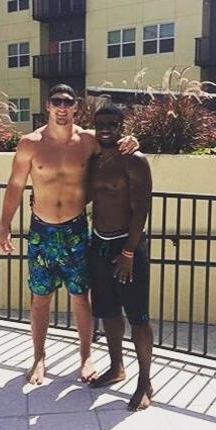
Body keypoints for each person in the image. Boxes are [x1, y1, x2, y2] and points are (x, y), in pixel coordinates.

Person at [0, 84, 138, 385]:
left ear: (75, 106)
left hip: (75, 230)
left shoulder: (88, 140)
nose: (62, 107)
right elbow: (15, 186)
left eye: (67, 102)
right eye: (56, 101)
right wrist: (4, 226)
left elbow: (117, 145)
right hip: (41, 232)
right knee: (40, 297)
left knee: (80, 297)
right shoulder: (30, 143)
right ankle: (39, 357)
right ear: (48, 105)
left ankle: (86, 357)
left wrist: (132, 140)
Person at [88, 103, 154, 411]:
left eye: (112, 124)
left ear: (122, 127)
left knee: (138, 316)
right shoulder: (94, 159)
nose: (106, 129)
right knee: (108, 311)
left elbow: (141, 209)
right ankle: (117, 367)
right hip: (99, 243)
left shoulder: (134, 160)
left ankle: (145, 382)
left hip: (127, 247)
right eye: (100, 124)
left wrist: (128, 252)